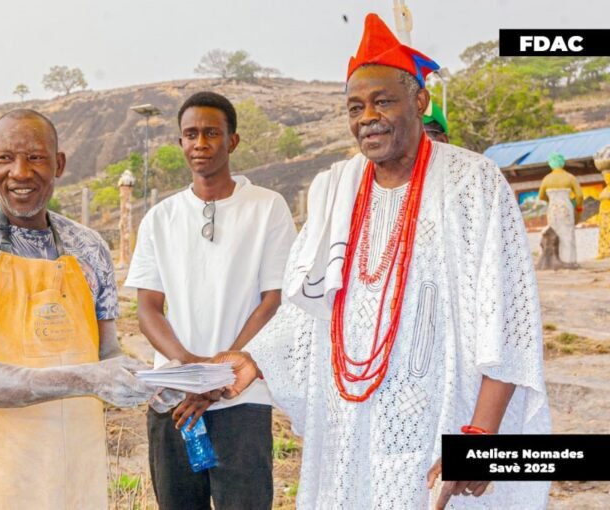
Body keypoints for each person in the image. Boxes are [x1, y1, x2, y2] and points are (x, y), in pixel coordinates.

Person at [213, 14, 551, 509]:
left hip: (442, 419)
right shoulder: (335, 190)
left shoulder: (471, 183)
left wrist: (480, 434)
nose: (366, 116)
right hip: (349, 428)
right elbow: (307, 309)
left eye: (382, 101)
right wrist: (254, 360)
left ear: (420, 101)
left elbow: (508, 321)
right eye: (354, 106)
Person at [0, 109, 164, 509]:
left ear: (59, 164)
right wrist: (89, 379)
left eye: (35, 157)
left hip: (76, 468)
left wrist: (156, 379)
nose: (19, 172)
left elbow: (106, 355)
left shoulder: (88, 247)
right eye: (4, 158)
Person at [125, 91, 297, 510]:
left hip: (242, 396)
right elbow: (148, 307)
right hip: (174, 399)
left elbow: (274, 299)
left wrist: (220, 374)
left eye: (211, 133)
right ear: (180, 143)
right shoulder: (160, 218)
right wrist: (188, 370)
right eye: (190, 134)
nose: (200, 143)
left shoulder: (267, 208)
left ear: (232, 141)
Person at [538, 152, 584, 265]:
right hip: (566, 208)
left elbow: (541, 196)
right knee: (568, 234)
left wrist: (550, 200)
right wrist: (578, 208)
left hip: (553, 209)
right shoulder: (570, 177)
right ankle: (570, 261)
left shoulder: (546, 179)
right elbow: (579, 195)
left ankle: (555, 261)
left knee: (554, 233)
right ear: (563, 163)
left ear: (550, 164)